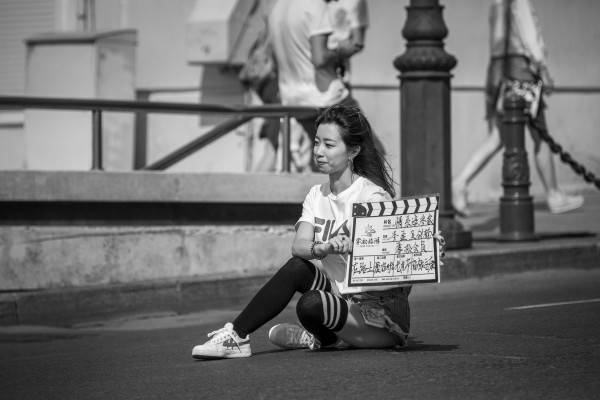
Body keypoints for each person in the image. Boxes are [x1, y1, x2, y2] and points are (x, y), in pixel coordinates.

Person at [191, 105, 438, 360]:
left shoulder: (373, 197)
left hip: (378, 316)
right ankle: (237, 336)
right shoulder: (316, 195)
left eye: (329, 145)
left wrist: (424, 251)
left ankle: (320, 337)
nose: (319, 151)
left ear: (353, 151)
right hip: (342, 298)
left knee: (311, 304)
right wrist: (324, 247)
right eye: (317, 142)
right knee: (297, 267)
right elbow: (298, 247)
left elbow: (398, 267)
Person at [452, 0, 584, 215]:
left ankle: (460, 183)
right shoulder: (519, 2)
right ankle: (554, 194)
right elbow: (530, 35)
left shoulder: (495, 4)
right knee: (540, 134)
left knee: (498, 137)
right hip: (519, 67)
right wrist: (542, 69)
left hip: (497, 68)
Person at [267, 0, 365, 171]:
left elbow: (274, 63)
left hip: (293, 103)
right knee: (369, 157)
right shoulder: (315, 5)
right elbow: (319, 58)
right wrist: (340, 50)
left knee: (319, 166)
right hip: (326, 99)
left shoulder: (277, 7)